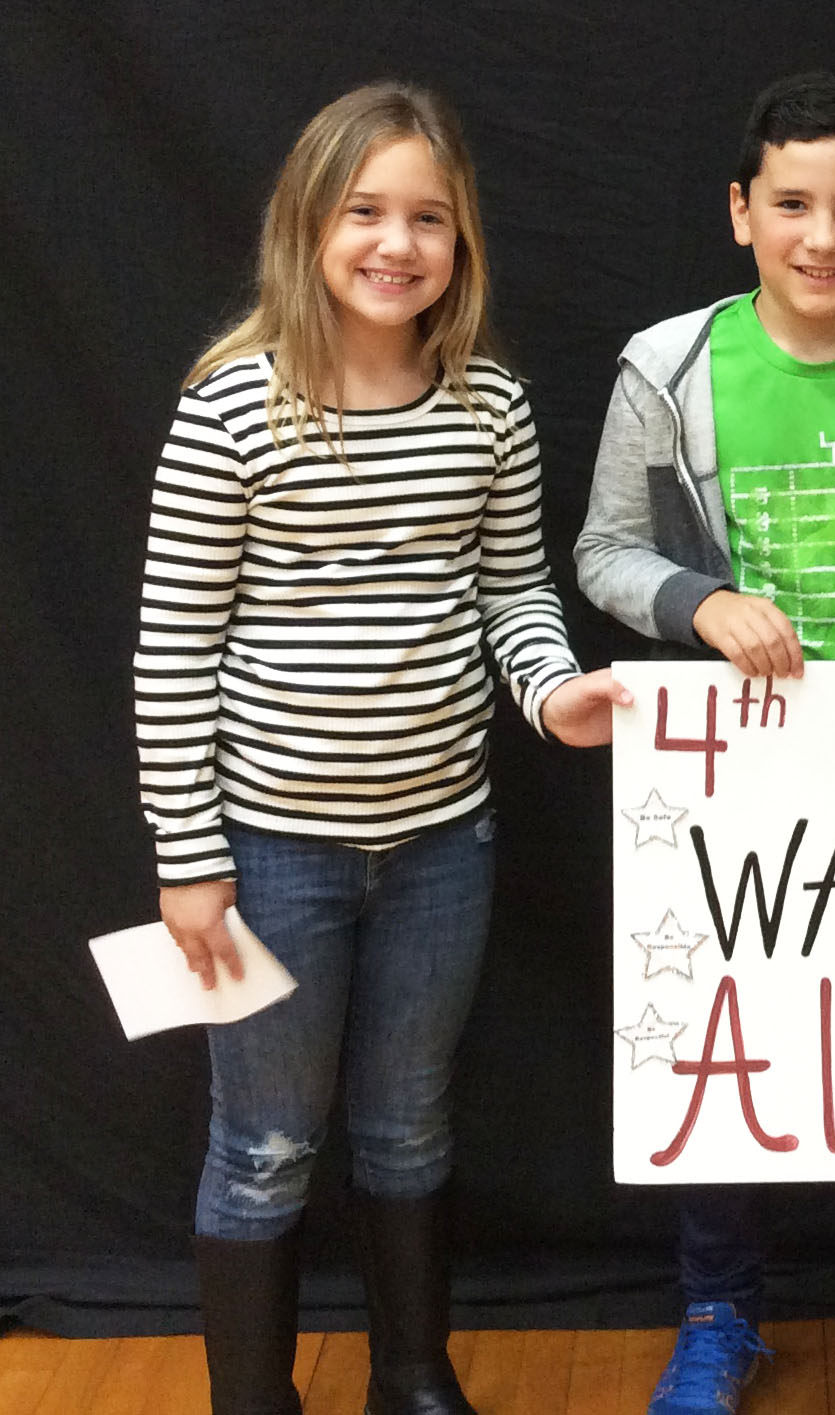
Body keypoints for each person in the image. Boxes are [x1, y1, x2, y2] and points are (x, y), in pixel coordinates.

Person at [135, 82, 628, 1415]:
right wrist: (191, 860)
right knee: (268, 1139)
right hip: (269, 851)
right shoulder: (234, 406)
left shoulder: (489, 406)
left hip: (439, 843)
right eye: (365, 211)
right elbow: (173, 646)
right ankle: (255, 1395)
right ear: (309, 222)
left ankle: (412, 1370)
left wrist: (551, 692)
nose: (395, 243)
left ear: (460, 239)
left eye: (428, 216)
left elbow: (512, 590)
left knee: (409, 1121)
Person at [572, 70, 835, 1415]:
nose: (822, 236)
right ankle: (716, 1314)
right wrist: (699, 603)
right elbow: (601, 555)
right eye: (793, 203)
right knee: (716, 1042)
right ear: (741, 211)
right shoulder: (667, 364)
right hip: (727, 769)